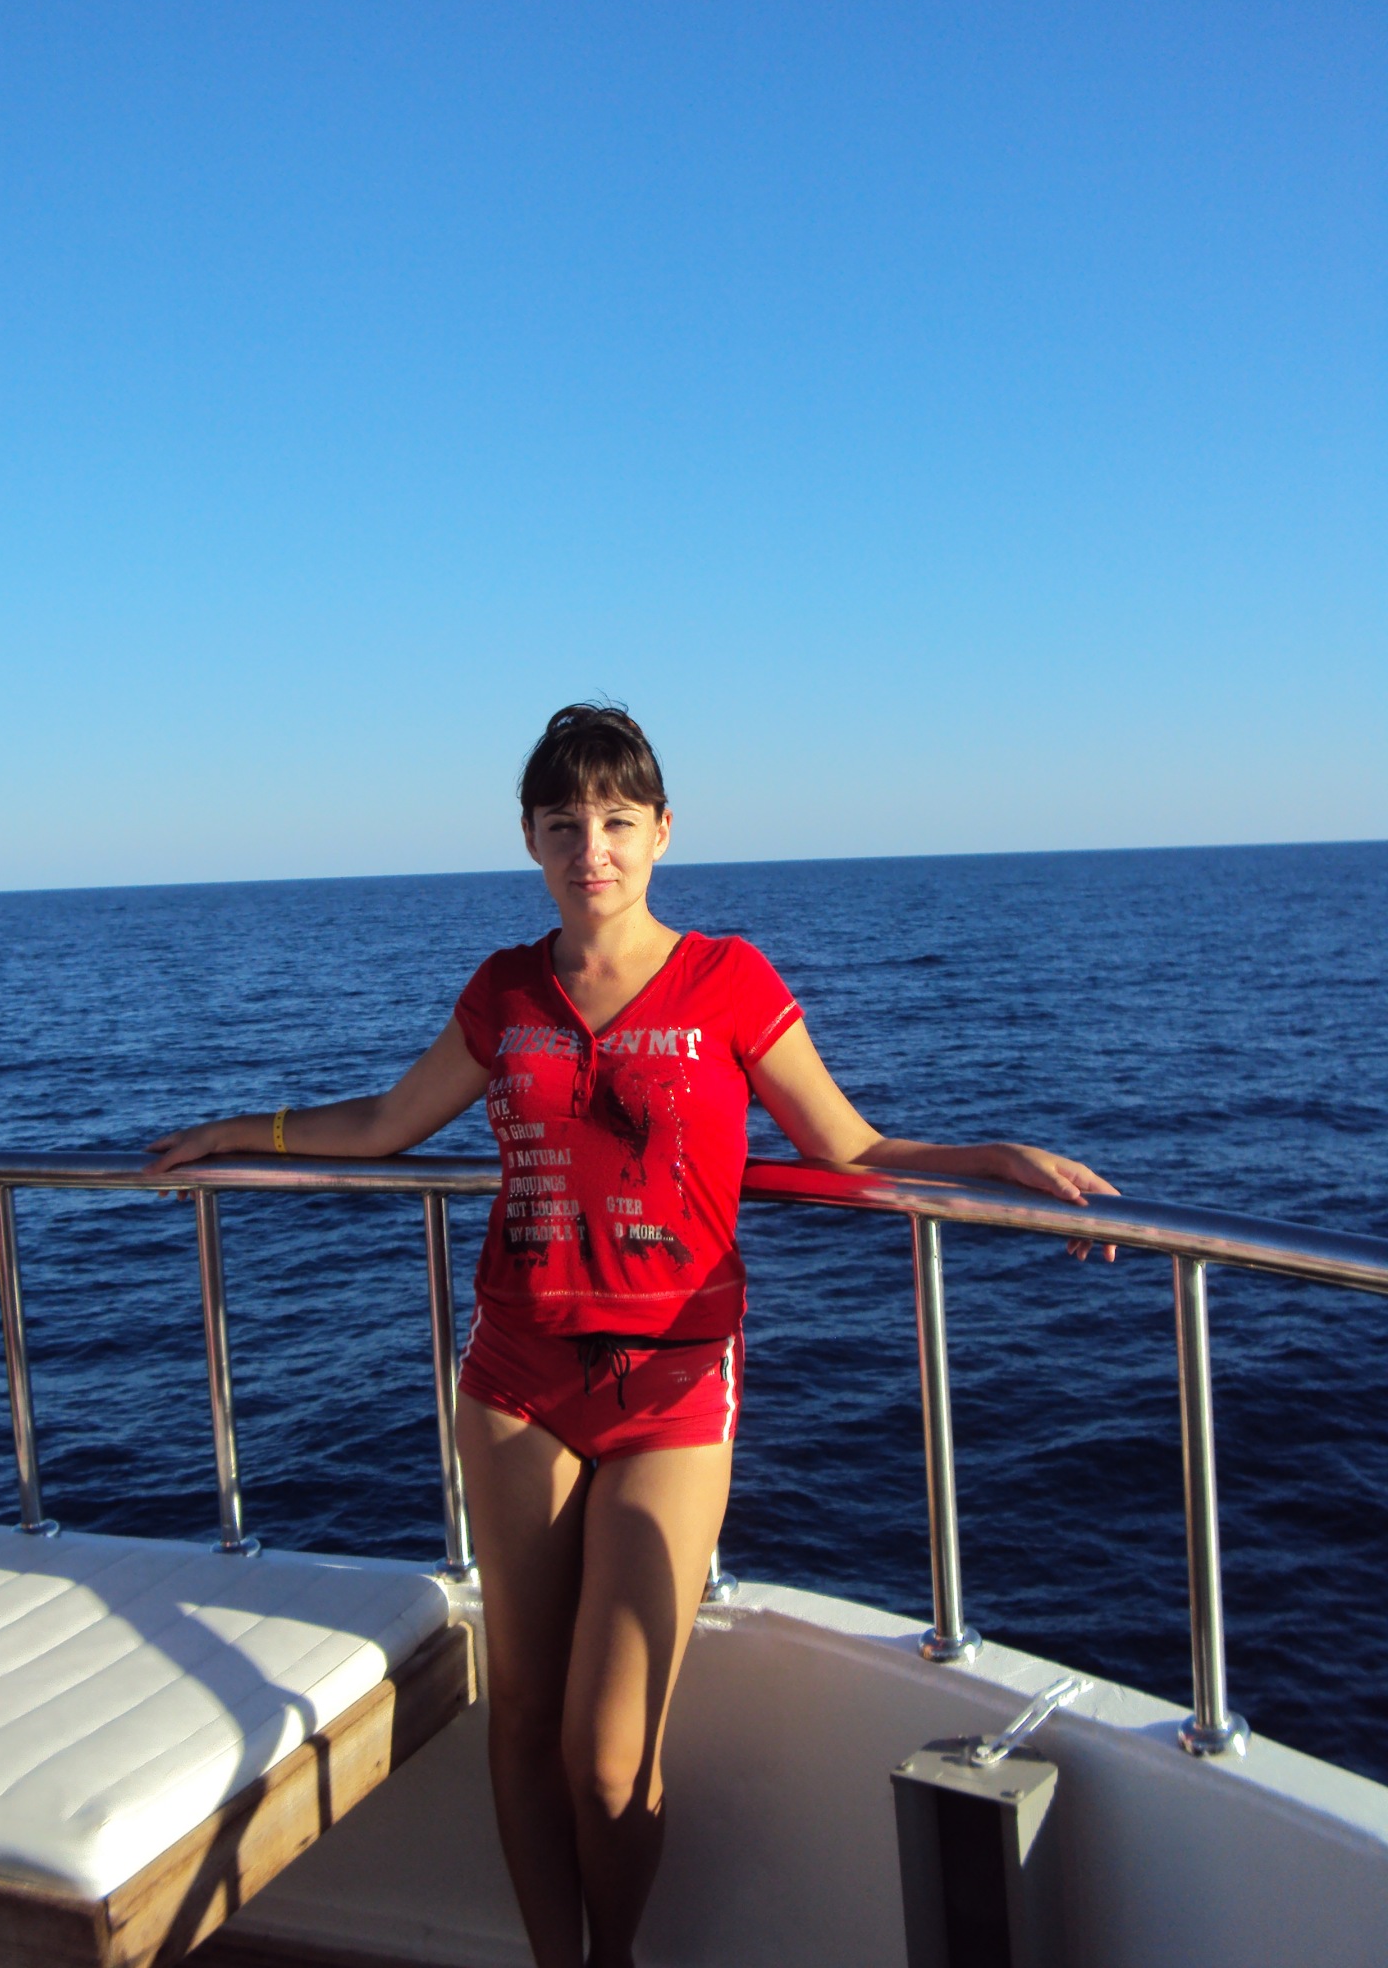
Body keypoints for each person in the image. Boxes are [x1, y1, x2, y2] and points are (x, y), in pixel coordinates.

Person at [150, 703, 1117, 1968]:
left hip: (673, 1384)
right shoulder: (505, 989)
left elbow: (851, 1145)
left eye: (615, 819)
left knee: (607, 1754)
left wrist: (994, 1160)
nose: (590, 847)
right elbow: (388, 1122)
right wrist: (245, 1130)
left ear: (663, 830)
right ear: (530, 838)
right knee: (523, 1713)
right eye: (563, 823)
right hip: (515, 1378)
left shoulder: (729, 979)